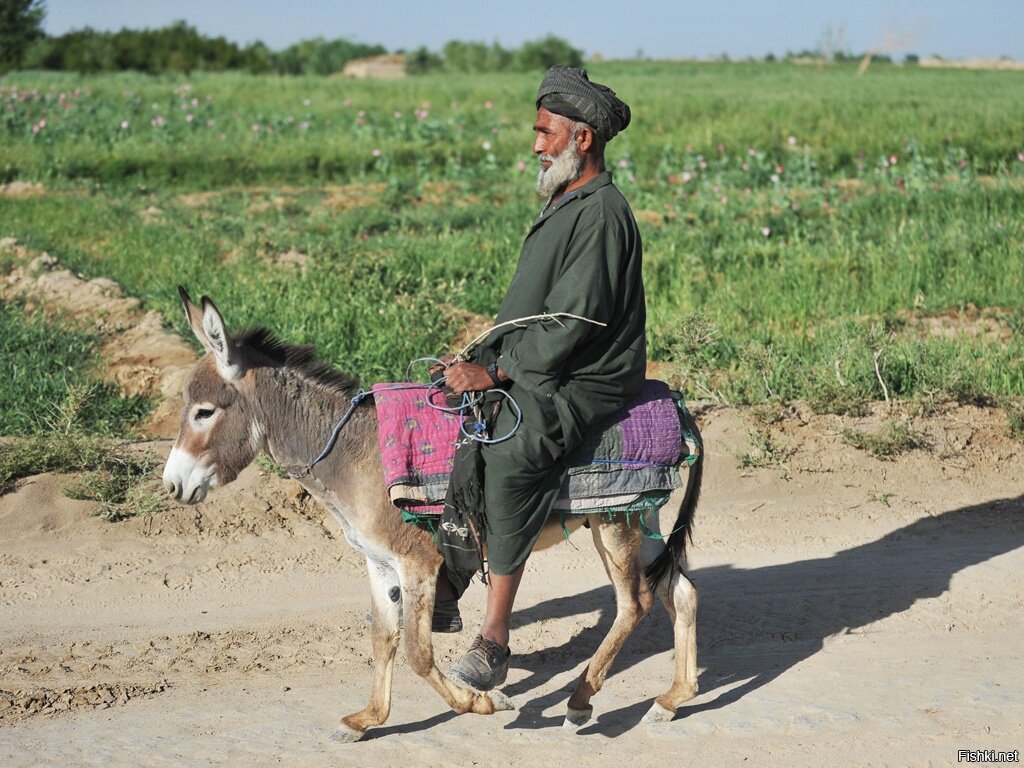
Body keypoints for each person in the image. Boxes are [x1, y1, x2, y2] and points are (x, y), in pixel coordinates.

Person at [439, 65, 647, 691]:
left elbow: (574, 323)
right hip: (543, 359)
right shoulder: (567, 199)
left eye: (544, 133)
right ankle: (447, 580)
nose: (535, 145)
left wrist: (499, 369)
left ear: (581, 138)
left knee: (513, 448)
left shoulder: (603, 212)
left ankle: (495, 636)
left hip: (586, 375)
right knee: (459, 420)